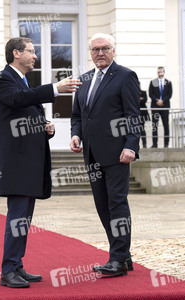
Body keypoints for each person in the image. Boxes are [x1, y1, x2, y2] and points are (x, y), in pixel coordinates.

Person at [0, 37, 81, 288]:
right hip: (16, 162)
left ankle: (16, 266)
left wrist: (43, 126)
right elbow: (17, 100)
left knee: (24, 218)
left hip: (28, 161)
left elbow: (20, 112)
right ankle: (8, 270)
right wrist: (55, 88)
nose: (35, 56)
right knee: (17, 217)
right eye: (31, 52)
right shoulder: (3, 79)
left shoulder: (21, 81)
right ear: (16, 53)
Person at [70, 33, 140, 277]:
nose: (100, 53)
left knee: (117, 203)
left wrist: (131, 145)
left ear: (113, 50)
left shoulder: (125, 76)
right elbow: (78, 115)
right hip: (90, 154)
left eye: (105, 48)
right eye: (95, 49)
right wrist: (75, 134)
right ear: (90, 53)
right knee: (102, 206)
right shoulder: (85, 79)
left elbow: (133, 115)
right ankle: (122, 255)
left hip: (117, 153)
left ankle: (118, 258)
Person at [148, 66, 172, 148]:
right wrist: (157, 100)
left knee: (166, 125)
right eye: (158, 72)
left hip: (165, 106)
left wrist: (163, 101)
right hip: (155, 106)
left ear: (164, 72)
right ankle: (155, 144)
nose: (160, 73)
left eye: (161, 72)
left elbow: (169, 94)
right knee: (155, 125)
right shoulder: (153, 82)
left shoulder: (168, 82)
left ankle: (166, 144)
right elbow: (151, 94)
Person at [139, 82, 150, 148]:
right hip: (134, 114)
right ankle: (135, 145)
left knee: (142, 129)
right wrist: (139, 99)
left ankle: (144, 144)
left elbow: (144, 100)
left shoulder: (143, 92)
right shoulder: (131, 92)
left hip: (142, 113)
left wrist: (137, 99)